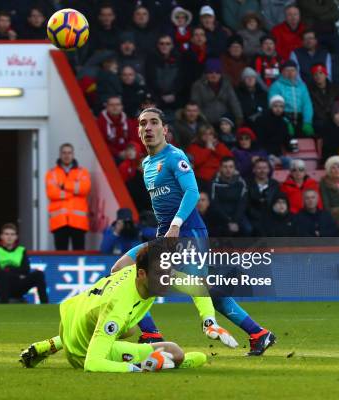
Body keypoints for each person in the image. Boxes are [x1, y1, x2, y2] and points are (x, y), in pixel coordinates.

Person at [112, 108, 275, 355]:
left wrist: (176, 223)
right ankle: (257, 333)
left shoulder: (175, 157)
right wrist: (166, 228)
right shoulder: (146, 164)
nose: (148, 128)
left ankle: (254, 333)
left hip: (189, 231)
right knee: (122, 269)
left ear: (164, 130)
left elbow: (192, 193)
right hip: (166, 234)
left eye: (154, 122)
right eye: (143, 124)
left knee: (198, 287)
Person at [19, 244, 207, 372]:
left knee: (130, 328)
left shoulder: (141, 271)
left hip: (73, 321)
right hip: (82, 353)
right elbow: (92, 364)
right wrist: (137, 368)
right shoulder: (118, 308)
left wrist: (209, 319)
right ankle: (176, 364)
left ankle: (50, 344)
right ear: (142, 273)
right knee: (175, 352)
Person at [45, 143, 91, 250]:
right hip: (59, 221)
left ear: (73, 154)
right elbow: (52, 193)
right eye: (64, 153)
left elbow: (85, 189)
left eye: (69, 153)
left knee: (79, 255)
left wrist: (63, 185)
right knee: (61, 256)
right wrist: (74, 191)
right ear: (60, 154)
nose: (67, 155)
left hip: (78, 222)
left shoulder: (82, 172)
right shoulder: (51, 173)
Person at [0, 223, 48, 304]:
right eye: (6, 234)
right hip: (1, 285)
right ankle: (4, 305)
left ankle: (45, 305)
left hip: (18, 284)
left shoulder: (21, 250)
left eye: (12, 234)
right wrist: (16, 272)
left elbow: (26, 270)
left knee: (39, 274)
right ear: (1, 236)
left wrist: (8, 268)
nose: (9, 237)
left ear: (16, 237)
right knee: (3, 275)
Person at [190, 58, 243, 126]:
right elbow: (195, 105)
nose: (214, 75)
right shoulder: (198, 86)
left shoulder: (226, 84)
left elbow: (233, 102)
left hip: (224, 122)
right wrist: (201, 122)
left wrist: (239, 117)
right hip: (205, 123)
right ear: (206, 73)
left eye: (217, 72)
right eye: (210, 72)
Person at [268, 60, 314, 137]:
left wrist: (307, 122)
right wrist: (285, 122)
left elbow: (307, 105)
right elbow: (273, 106)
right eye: (287, 70)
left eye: (293, 70)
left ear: (296, 72)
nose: (290, 73)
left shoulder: (302, 86)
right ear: (282, 72)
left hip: (300, 119)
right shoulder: (276, 86)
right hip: (283, 119)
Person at [209, 157, 252, 236]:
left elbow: (242, 203)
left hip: (237, 215)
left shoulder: (241, 182)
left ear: (234, 168)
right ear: (220, 168)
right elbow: (215, 204)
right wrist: (228, 221)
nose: (228, 170)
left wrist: (235, 221)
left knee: (248, 229)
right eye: (225, 167)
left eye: (231, 167)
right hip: (221, 215)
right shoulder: (214, 183)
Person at [145, 35, 181, 112]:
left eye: (168, 44)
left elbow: (181, 80)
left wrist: (174, 94)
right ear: (158, 45)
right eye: (162, 43)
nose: (164, 46)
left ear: (172, 45)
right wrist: (160, 97)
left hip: (175, 102)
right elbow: (149, 81)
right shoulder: (150, 60)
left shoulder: (179, 60)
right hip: (156, 102)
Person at [97, 96, 139, 162]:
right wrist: (118, 153)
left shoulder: (127, 121)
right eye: (112, 105)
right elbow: (102, 143)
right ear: (107, 107)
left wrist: (129, 150)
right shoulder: (100, 123)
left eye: (117, 104)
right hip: (111, 156)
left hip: (128, 153)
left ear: (121, 107)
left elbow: (133, 139)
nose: (115, 107)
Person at [254, 95, 292, 168]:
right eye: (275, 106)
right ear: (271, 107)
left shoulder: (284, 123)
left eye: (281, 107)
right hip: (265, 155)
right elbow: (259, 142)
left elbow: (287, 140)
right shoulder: (262, 120)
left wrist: (291, 145)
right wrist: (269, 155)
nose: (278, 109)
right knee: (268, 164)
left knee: (293, 163)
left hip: (278, 155)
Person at [308, 64, 339, 132]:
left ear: (326, 74)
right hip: (317, 122)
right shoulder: (309, 90)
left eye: (321, 73)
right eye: (315, 74)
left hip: (333, 120)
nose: (318, 76)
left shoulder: (336, 89)